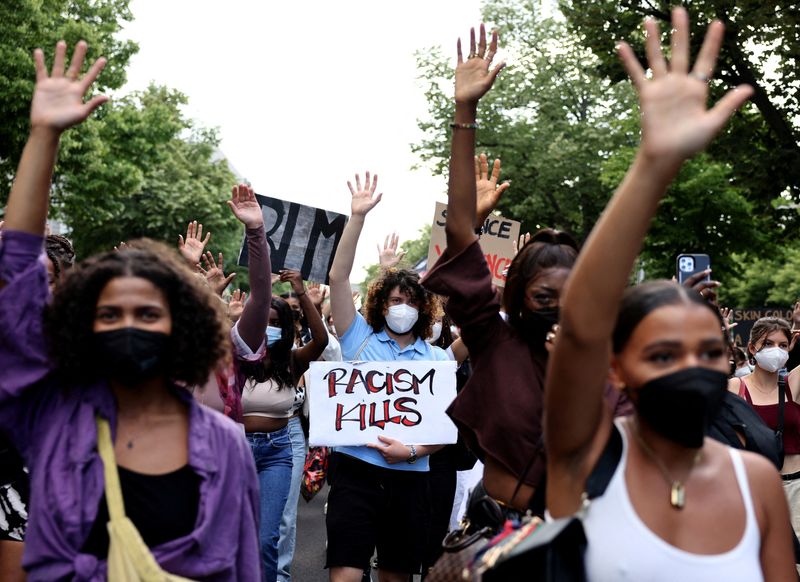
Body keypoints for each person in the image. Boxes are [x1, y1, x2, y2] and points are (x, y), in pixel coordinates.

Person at [544, 9, 794, 579]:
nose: (691, 367)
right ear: (614, 369)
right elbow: (582, 323)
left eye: (708, 353)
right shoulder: (583, 456)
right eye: (662, 355)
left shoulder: (756, 483)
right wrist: (653, 167)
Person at [0, 40, 260, 580]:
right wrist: (43, 136)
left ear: (181, 328)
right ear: (80, 328)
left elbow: (242, 567)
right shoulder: (53, 418)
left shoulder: (226, 446)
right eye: (109, 315)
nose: (128, 326)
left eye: (147, 315)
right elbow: (17, 278)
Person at [421, 27, 578, 513]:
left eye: (569, 297)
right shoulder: (493, 338)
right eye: (544, 297)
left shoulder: (602, 361)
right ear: (518, 295)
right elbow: (462, 235)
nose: (556, 309)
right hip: (500, 534)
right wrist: (464, 111)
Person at [326, 172, 449, 582]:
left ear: (425, 308)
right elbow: (338, 279)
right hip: (355, 476)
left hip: (410, 483)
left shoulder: (436, 359)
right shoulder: (358, 339)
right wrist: (356, 218)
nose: (403, 307)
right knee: (345, 574)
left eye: (411, 301)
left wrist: (411, 451)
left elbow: (444, 428)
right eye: (396, 299)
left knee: (396, 576)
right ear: (382, 302)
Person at [227, 192, 329, 581]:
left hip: (277, 452)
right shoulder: (236, 355)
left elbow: (319, 342)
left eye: (274, 320)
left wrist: (302, 293)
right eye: (261, 317)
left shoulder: (291, 359)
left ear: (284, 328)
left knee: (267, 538)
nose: (265, 324)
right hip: (234, 447)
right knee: (231, 536)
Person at [731, 318, 800, 544]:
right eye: (768, 344)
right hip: (751, 487)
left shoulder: (793, 384)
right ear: (752, 348)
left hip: (795, 488)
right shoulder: (735, 387)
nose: (776, 351)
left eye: (782, 345)